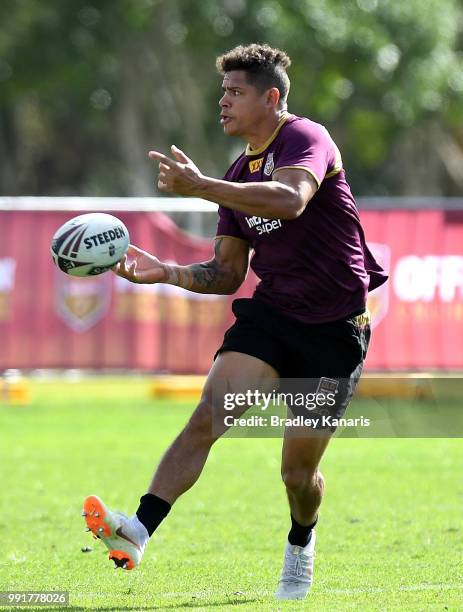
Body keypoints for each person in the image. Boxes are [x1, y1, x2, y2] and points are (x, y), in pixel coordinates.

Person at [82, 43, 387, 600]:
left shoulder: (306, 139)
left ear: (271, 98)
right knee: (208, 416)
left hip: (335, 329)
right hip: (271, 319)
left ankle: (301, 542)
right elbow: (225, 273)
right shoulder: (235, 173)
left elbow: (291, 199)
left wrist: (200, 188)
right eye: (222, 92)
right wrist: (165, 272)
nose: (222, 102)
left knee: (298, 476)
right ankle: (138, 531)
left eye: (234, 92)